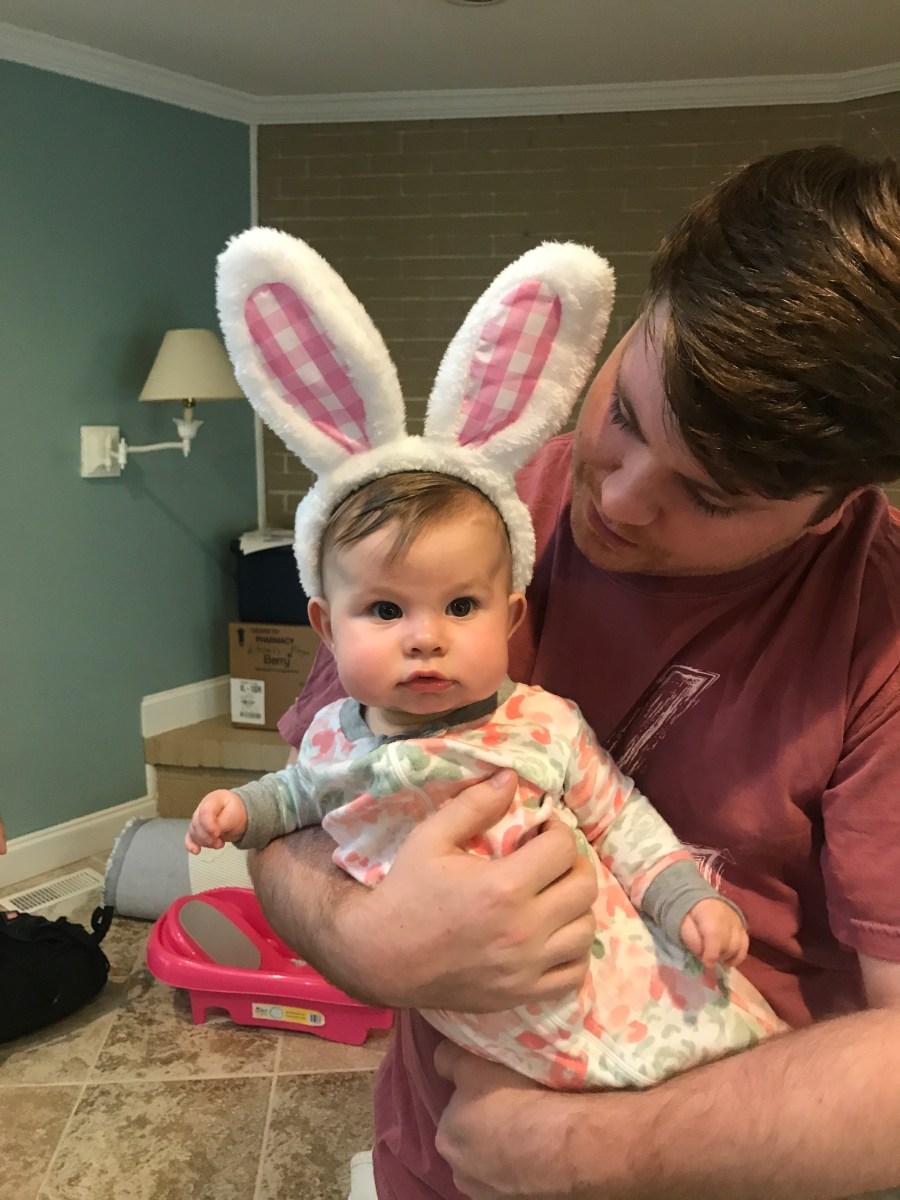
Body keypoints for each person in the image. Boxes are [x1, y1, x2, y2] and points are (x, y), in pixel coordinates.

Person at [249, 144, 900, 1200]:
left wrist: (607, 1151)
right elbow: (297, 812)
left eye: (713, 496)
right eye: (627, 415)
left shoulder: (880, 631)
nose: (622, 499)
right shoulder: (473, 517)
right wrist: (363, 941)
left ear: (838, 500)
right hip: (437, 1163)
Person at [187, 470, 783, 1090]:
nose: (426, 639)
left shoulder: (541, 723)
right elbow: (294, 796)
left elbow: (620, 818)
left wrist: (684, 897)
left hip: (599, 974)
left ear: (510, 617)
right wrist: (238, 809)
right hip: (481, 1029)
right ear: (329, 628)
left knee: (705, 1064)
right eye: (386, 610)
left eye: (461, 607)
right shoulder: (330, 736)